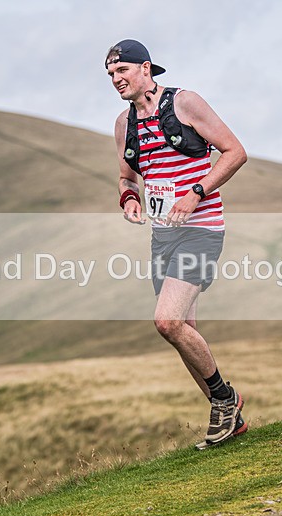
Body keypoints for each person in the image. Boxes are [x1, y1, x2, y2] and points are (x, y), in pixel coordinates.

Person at [105, 39, 249, 448]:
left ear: (146, 69)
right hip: (162, 235)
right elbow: (127, 177)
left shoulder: (185, 103)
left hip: (201, 228)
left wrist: (195, 193)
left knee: (166, 322)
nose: (116, 80)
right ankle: (229, 419)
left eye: (122, 71)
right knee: (185, 332)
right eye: (111, 75)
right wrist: (130, 199)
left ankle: (226, 399)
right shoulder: (123, 124)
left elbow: (235, 152)